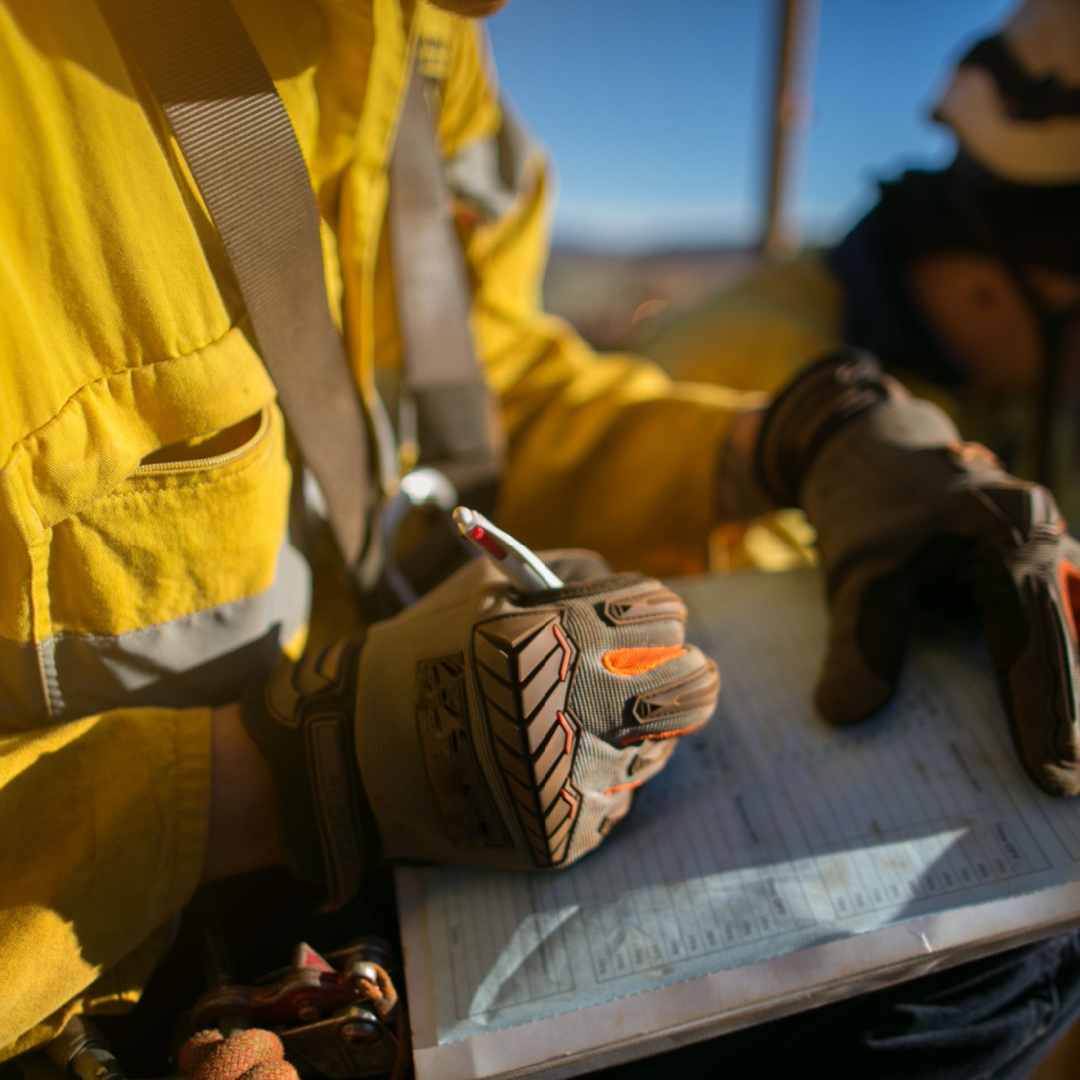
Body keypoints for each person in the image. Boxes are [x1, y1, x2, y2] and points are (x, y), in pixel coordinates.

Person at [1, 2, 1078, 1080]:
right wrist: (282, 775)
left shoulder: (427, 49)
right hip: (132, 971)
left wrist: (786, 442)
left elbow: (490, 397)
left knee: (1018, 959)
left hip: (398, 883)